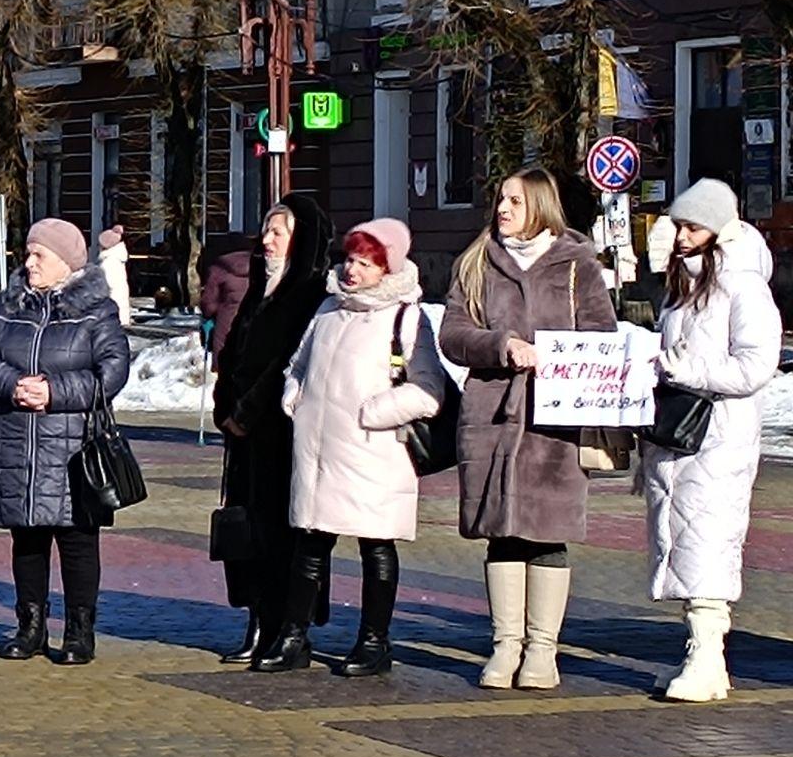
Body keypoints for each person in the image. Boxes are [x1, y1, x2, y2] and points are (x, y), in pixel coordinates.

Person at [439, 168, 615, 691]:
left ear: (539, 204)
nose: (502, 208)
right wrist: (501, 345)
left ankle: (542, 649)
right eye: (500, 198)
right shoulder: (476, 263)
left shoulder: (577, 264)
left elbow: (601, 336)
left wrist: (560, 361)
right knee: (501, 534)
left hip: (553, 423)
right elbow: (452, 334)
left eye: (514, 200)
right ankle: (504, 645)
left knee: (547, 536)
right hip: (492, 417)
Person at [255, 218, 446, 677]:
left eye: (365, 263)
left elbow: (429, 390)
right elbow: (298, 365)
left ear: (387, 269)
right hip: (318, 453)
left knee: (375, 548)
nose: (352, 270)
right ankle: (294, 637)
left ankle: (375, 641)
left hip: (372, 455)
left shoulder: (405, 316)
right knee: (311, 545)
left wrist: (372, 412)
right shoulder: (328, 309)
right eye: (350, 260)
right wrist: (294, 393)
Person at [0, 218, 130, 665]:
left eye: (40, 254)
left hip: (74, 445)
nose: (29, 262)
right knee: (27, 539)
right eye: (28, 252)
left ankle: (80, 631)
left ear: (66, 262)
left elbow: (112, 370)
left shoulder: (97, 310)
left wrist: (55, 391)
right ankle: (30, 627)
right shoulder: (8, 304)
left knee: (78, 539)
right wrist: (12, 384)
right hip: (17, 438)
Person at [641, 179, 778, 703]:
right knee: (684, 542)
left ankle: (708, 654)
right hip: (678, 439)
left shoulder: (744, 287)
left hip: (719, 439)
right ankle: (699, 653)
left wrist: (683, 368)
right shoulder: (684, 289)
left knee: (708, 544)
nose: (681, 236)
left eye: (693, 226)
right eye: (679, 225)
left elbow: (755, 365)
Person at [212, 195, 334, 664]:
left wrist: (247, 410)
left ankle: (287, 625)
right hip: (244, 440)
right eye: (265, 231)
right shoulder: (259, 289)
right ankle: (257, 619)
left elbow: (287, 363)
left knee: (283, 533)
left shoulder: (308, 295)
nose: (265, 240)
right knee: (248, 532)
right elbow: (233, 358)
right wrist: (227, 406)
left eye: (277, 232)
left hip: (282, 435)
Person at [197, 232, 254, 364]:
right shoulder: (261, 266)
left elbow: (209, 304)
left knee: (226, 371)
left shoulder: (218, 269)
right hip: (254, 327)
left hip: (226, 327)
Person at [97, 225, 133, 327]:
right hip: (119, 307)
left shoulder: (109, 263)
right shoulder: (117, 260)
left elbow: (105, 287)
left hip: (111, 311)